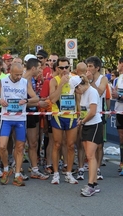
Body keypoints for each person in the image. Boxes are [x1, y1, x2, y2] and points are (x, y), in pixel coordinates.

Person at [0, 63, 39, 186]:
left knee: (20, 147)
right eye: (16, 74)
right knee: (2, 146)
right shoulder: (3, 81)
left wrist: (27, 100)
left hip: (20, 119)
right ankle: (6, 169)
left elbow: (36, 98)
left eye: (20, 74)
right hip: (6, 118)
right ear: (10, 72)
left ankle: (17, 175)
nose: (19, 77)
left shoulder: (25, 82)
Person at [49, 57, 78, 185]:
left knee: (71, 145)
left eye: (66, 67)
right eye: (61, 68)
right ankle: (56, 174)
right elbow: (53, 99)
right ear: (57, 69)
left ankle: (69, 173)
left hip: (72, 116)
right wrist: (61, 84)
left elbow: (80, 95)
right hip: (58, 115)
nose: (64, 70)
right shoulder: (54, 81)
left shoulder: (74, 79)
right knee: (57, 144)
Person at [72, 75, 103, 196]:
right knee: (90, 155)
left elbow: (93, 111)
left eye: (75, 90)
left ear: (79, 86)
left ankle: (91, 185)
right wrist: (82, 120)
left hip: (94, 125)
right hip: (86, 124)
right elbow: (85, 110)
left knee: (90, 156)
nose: (76, 92)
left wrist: (83, 121)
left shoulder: (92, 92)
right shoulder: (84, 93)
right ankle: (94, 183)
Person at [23, 58, 50, 180]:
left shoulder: (32, 80)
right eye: (39, 68)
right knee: (20, 144)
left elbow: (34, 99)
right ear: (33, 68)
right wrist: (39, 103)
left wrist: (42, 100)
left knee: (33, 143)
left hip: (32, 114)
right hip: (23, 115)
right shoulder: (23, 80)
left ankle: (34, 169)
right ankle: (15, 169)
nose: (41, 70)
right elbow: (21, 103)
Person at [85, 56, 108, 180]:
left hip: (99, 112)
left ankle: (97, 168)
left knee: (99, 144)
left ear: (97, 68)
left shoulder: (102, 79)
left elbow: (99, 92)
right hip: (87, 113)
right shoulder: (85, 77)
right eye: (87, 66)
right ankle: (88, 167)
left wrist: (91, 81)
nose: (88, 69)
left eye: (90, 66)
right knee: (87, 144)